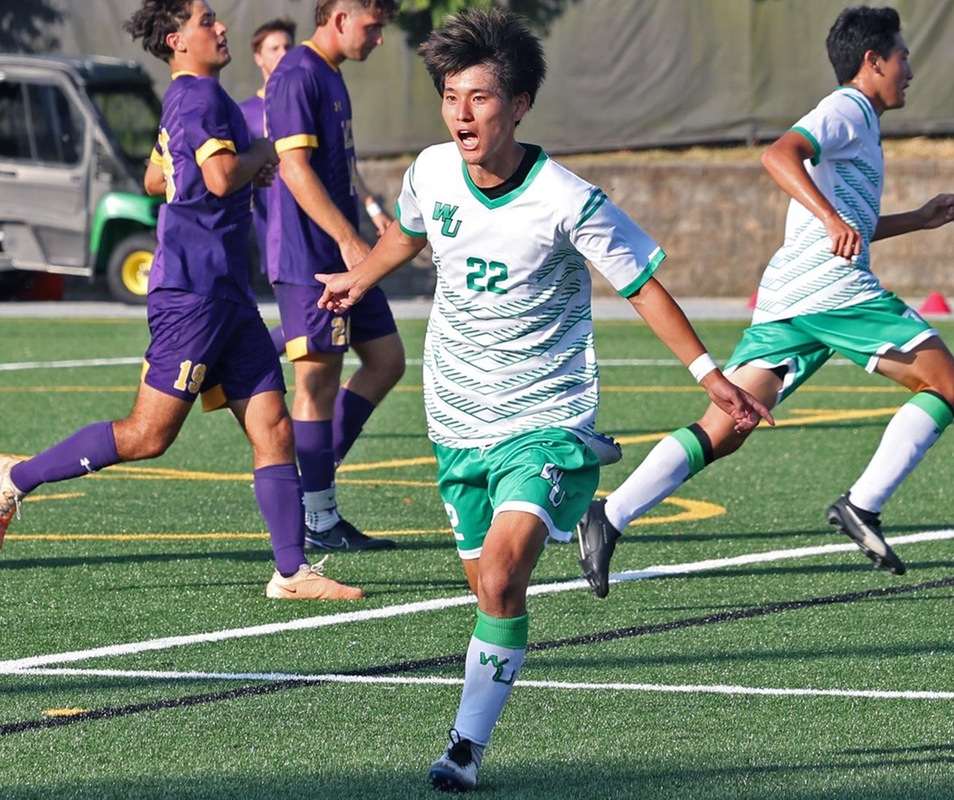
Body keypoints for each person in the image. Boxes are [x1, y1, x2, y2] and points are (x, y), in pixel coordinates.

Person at [313, 10, 771, 790]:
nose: (462, 112)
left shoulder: (568, 199)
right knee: (494, 592)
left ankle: (463, 749)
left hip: (544, 421)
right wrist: (363, 275)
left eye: (481, 97)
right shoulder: (428, 171)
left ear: (519, 105)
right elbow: (412, 235)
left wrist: (708, 375)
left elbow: (642, 287)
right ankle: (482, 709)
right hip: (457, 417)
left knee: (498, 575)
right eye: (452, 96)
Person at [0, 0, 363, 602]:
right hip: (194, 291)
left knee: (273, 426)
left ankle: (291, 573)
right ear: (177, 40)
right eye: (207, 20)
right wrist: (263, 156)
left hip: (227, 290)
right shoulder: (200, 98)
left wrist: (226, 163)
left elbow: (158, 179)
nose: (220, 27)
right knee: (148, 435)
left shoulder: (195, 98)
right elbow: (217, 178)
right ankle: (16, 477)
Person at [575, 5, 954, 598]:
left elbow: (848, 224)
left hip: (794, 295)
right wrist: (832, 215)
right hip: (829, 290)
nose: (910, 69)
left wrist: (916, 219)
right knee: (945, 385)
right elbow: (778, 155)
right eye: (903, 57)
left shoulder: (860, 122)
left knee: (727, 426)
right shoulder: (846, 109)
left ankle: (609, 514)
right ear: (873, 61)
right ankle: (863, 505)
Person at [262, 0, 407, 553]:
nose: (377, 39)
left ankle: (313, 480)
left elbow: (338, 167)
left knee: (387, 358)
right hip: (309, 258)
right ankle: (318, 515)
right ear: (340, 17)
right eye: (372, 27)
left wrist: (367, 225)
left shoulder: (330, 75)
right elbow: (294, 169)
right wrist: (349, 241)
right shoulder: (297, 73)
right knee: (317, 383)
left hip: (346, 256)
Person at [239, 17, 394, 249]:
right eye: (274, 48)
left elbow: (342, 160)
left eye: (287, 46)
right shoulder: (245, 112)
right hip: (282, 237)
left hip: (325, 232)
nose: (283, 53)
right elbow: (235, 172)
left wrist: (371, 206)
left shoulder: (316, 83)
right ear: (258, 58)